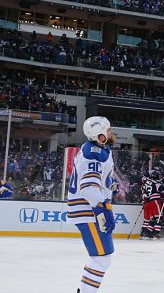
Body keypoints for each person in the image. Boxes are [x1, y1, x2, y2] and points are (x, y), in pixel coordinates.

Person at [65, 116, 116, 293]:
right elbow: (88, 187)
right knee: (101, 258)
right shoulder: (93, 153)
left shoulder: (96, 150)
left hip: (89, 210)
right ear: (100, 135)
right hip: (88, 211)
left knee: (103, 257)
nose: (111, 133)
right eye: (108, 130)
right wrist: (102, 209)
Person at [139, 169, 164, 240]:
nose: (159, 177)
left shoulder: (146, 182)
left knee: (151, 219)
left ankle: (144, 233)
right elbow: (163, 193)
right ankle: (156, 233)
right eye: (158, 175)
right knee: (158, 218)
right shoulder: (157, 183)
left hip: (147, 202)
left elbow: (143, 189)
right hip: (155, 201)